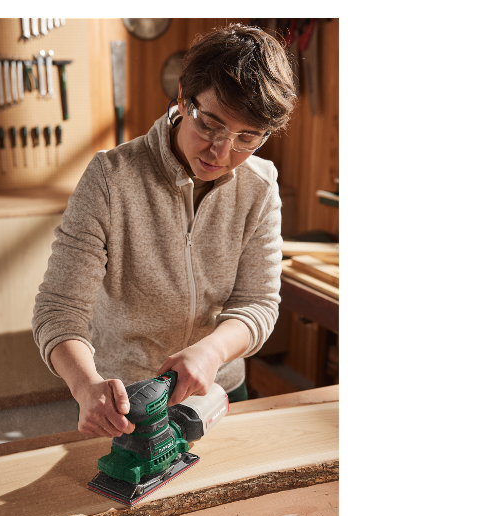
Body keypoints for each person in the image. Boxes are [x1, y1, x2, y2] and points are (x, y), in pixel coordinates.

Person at [32, 23, 297, 439]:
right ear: (182, 96)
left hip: (218, 392)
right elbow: (59, 310)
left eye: (247, 138)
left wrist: (211, 352)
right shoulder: (110, 178)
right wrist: (85, 385)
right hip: (124, 400)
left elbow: (257, 304)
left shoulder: (260, 186)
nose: (222, 151)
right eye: (210, 124)